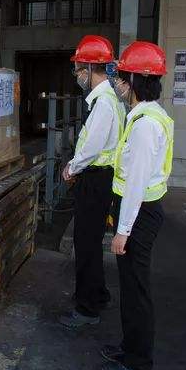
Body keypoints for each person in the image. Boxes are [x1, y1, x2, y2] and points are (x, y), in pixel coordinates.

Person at [100, 42, 173, 370]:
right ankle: (130, 348)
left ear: (134, 81)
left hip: (140, 213)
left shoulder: (145, 125)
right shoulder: (149, 114)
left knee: (136, 289)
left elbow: (136, 184)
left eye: (122, 77)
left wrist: (123, 231)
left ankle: (137, 361)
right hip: (140, 210)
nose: (118, 83)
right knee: (130, 288)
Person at [60, 35, 127, 328]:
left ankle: (87, 309)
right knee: (91, 240)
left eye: (78, 70)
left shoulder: (103, 104)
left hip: (95, 179)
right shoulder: (110, 101)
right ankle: (98, 294)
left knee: (85, 243)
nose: (77, 76)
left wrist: (72, 168)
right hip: (102, 179)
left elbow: (92, 146)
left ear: (89, 68)